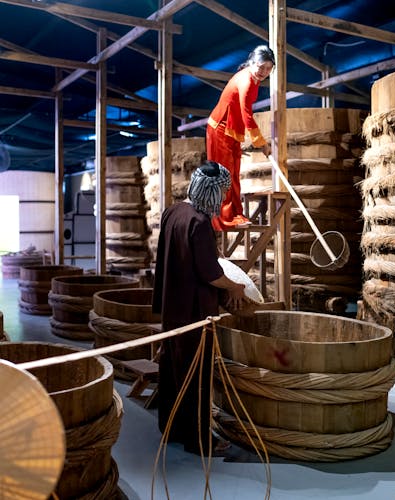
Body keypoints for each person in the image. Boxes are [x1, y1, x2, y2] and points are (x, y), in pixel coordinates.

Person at [152, 160, 248, 455]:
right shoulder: (199, 222)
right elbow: (210, 273)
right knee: (197, 377)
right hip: (194, 314)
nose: (223, 199)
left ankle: (171, 429)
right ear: (212, 192)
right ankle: (199, 441)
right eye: (222, 193)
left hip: (172, 309)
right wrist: (235, 287)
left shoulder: (173, 212)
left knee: (172, 370)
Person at [206, 45, 276, 231]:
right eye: (261, 67)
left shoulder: (253, 78)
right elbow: (247, 115)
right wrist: (261, 143)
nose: (264, 72)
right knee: (223, 174)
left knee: (234, 172)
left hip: (232, 130)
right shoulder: (246, 81)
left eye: (269, 69)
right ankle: (223, 218)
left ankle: (236, 213)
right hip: (220, 128)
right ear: (252, 63)